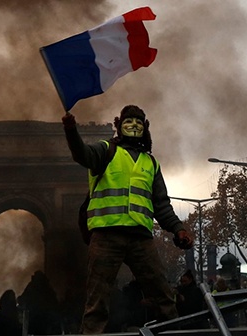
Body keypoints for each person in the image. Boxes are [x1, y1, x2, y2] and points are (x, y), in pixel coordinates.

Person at [61, 105, 195, 334]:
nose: (133, 125)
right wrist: (71, 130)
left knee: (164, 296)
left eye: (138, 121)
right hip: (106, 235)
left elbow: (161, 205)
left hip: (140, 239)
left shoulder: (151, 163)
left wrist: (178, 228)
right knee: (97, 301)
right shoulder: (106, 151)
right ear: (118, 126)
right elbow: (81, 154)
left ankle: (174, 333)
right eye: (128, 120)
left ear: (145, 127)